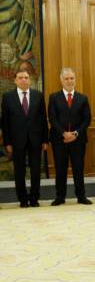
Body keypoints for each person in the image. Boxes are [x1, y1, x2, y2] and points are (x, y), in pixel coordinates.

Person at [1, 69, 47, 207]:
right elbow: (5, 122)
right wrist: (7, 142)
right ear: (15, 80)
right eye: (20, 77)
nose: (23, 80)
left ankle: (34, 198)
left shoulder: (38, 95)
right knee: (19, 171)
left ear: (30, 80)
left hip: (36, 139)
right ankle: (22, 199)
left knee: (35, 170)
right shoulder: (8, 97)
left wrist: (45, 139)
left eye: (26, 77)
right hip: (16, 141)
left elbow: (43, 119)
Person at [48, 68, 92, 205]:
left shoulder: (83, 98)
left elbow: (87, 119)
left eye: (72, 78)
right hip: (59, 139)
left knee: (78, 169)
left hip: (78, 140)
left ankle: (81, 196)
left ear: (75, 79)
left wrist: (75, 133)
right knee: (60, 169)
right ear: (61, 80)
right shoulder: (54, 97)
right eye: (66, 78)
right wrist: (64, 133)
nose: (69, 81)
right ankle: (60, 197)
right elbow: (52, 118)